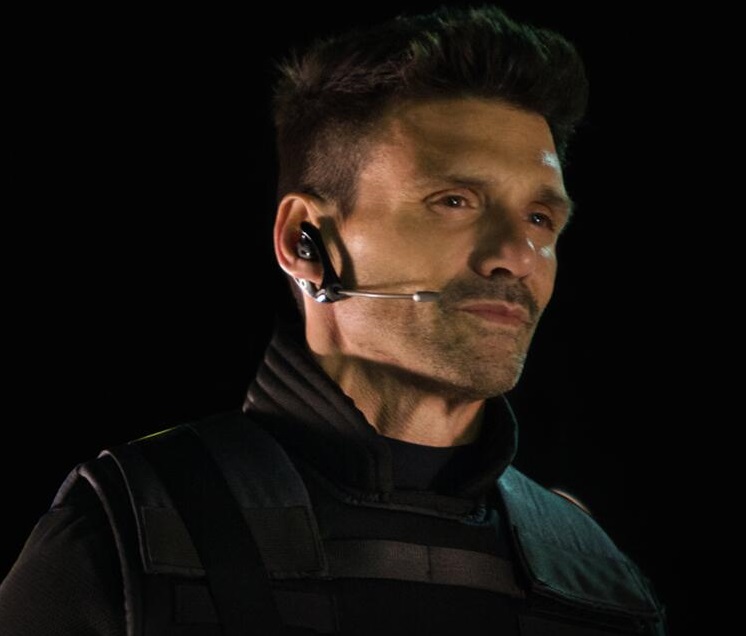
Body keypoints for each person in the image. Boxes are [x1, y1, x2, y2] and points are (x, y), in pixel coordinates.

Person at [0, 5, 668, 635]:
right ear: (304, 243)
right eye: (455, 200)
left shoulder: (599, 581)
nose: (517, 256)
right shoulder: (126, 535)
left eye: (540, 218)